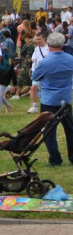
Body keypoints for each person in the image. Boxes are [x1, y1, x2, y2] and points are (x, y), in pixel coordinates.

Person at [32, 32, 73, 167]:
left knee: (49, 131)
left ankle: (55, 159)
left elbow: (36, 77)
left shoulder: (45, 62)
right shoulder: (70, 59)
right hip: (65, 99)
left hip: (49, 100)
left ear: (49, 44)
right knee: (70, 129)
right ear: (62, 44)